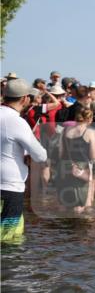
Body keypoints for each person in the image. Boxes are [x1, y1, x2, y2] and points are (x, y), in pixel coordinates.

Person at [1, 79, 48, 242]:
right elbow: (40, 155)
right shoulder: (17, 122)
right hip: (9, 187)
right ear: (24, 99)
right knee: (7, 240)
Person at [57, 107, 95, 213]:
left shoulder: (64, 131)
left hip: (64, 168)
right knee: (79, 205)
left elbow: (60, 153)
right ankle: (79, 223)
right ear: (89, 119)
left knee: (63, 204)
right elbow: (93, 156)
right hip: (81, 169)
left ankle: (62, 224)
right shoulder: (90, 132)